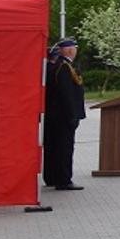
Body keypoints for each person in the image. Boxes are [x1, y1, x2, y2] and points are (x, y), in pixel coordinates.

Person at [42, 37, 87, 191]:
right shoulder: (64, 68)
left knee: (53, 147)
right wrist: (72, 115)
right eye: (75, 48)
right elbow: (66, 94)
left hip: (55, 115)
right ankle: (63, 180)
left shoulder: (57, 65)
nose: (76, 51)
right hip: (63, 116)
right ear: (69, 50)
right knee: (64, 148)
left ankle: (51, 177)